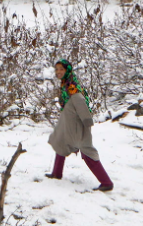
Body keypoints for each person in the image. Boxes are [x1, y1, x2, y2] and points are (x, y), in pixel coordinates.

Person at [46, 59, 114, 192]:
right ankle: (56, 173)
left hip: (78, 124)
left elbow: (79, 101)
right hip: (69, 122)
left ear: (67, 70)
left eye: (62, 69)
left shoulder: (71, 85)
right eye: (57, 69)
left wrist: (86, 122)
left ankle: (106, 182)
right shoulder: (65, 83)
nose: (59, 72)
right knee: (60, 143)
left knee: (87, 150)